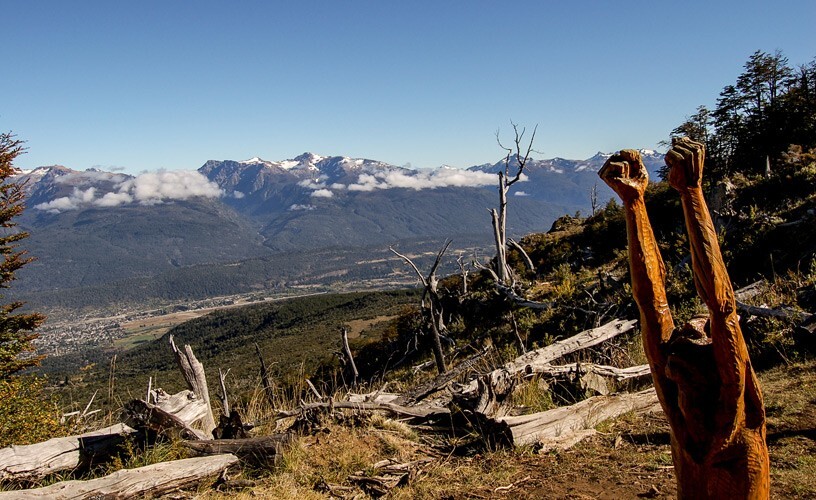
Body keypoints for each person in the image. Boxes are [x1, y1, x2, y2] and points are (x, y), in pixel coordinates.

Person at [598, 138, 769, 499]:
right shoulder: (681, 405)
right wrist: (634, 204)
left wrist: (692, 193)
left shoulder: (732, 416)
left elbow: (722, 308)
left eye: (699, 333)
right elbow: (651, 303)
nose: (691, 327)